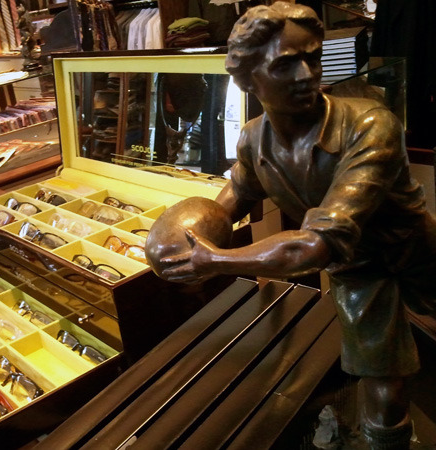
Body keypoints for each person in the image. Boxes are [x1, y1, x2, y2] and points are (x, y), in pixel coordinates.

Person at [159, 3, 436, 449]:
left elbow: (313, 247)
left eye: (313, 58)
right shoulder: (253, 139)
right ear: (248, 80)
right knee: (383, 386)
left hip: (414, 249)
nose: (308, 75)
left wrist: (215, 260)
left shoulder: (370, 124)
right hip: (358, 268)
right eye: (285, 65)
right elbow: (231, 199)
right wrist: (185, 236)